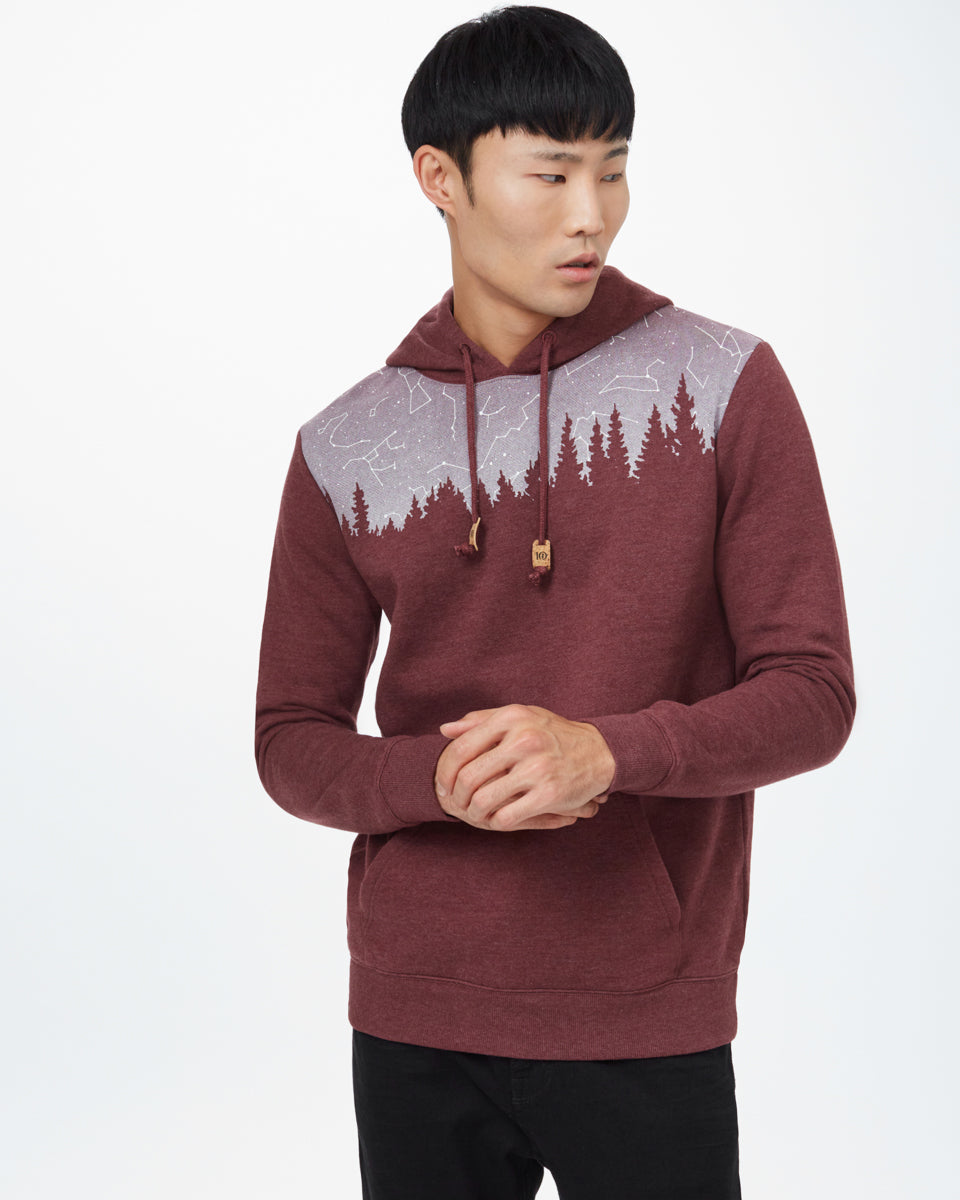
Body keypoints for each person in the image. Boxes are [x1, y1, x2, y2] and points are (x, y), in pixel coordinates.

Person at [255, 7, 855, 1197]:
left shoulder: (725, 384)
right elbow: (290, 743)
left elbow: (813, 695)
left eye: (613, 170)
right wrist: (439, 779)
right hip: (414, 1011)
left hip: (643, 1007)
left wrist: (607, 753)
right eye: (552, 173)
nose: (593, 213)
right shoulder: (347, 445)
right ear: (441, 179)